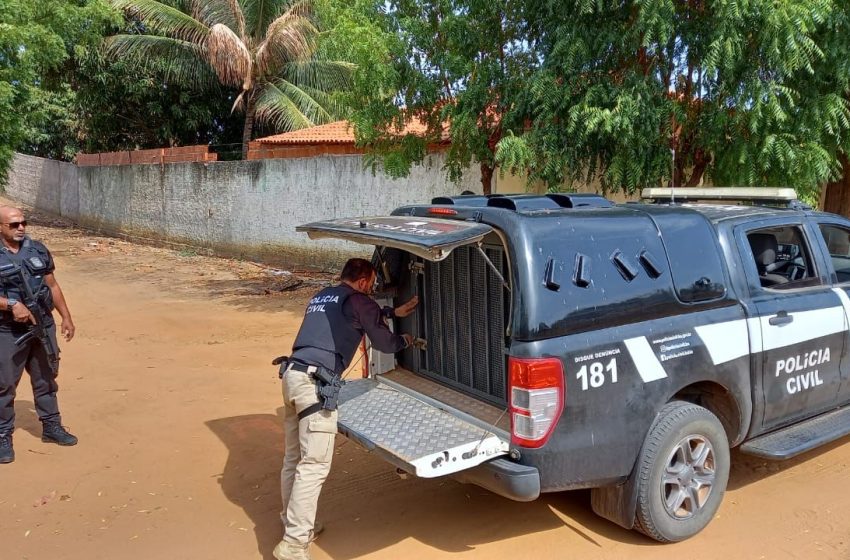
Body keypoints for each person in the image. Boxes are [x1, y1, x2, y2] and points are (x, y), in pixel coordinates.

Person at [274, 258, 418, 560]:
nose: (373, 289)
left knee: (294, 460)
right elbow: (385, 343)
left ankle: (296, 524)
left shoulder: (322, 295)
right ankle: (294, 544)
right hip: (316, 386)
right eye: (373, 283)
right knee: (313, 466)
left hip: (292, 376)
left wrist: (392, 311)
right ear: (364, 281)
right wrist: (405, 339)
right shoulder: (359, 300)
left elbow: (354, 317)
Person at [0, 206, 77, 464]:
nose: (21, 227)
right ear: (0, 227)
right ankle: (2, 436)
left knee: (46, 377)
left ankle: (51, 426)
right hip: (8, 330)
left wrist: (65, 316)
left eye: (23, 222)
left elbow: (51, 284)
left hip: (42, 324)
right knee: (4, 384)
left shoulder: (38, 249)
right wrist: (10, 305)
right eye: (14, 224)